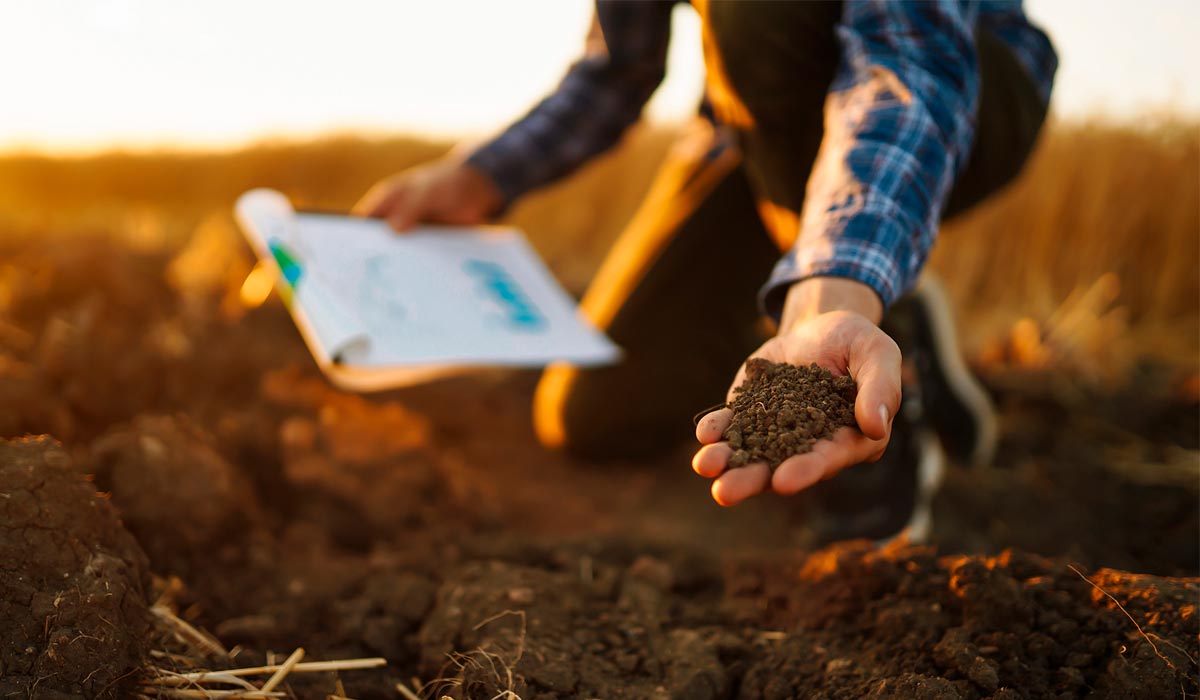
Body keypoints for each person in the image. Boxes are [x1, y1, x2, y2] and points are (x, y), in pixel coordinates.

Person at [354, 1, 1057, 542]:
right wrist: (475, 178)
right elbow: (616, 68)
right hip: (754, 132)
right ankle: (865, 303)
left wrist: (832, 289)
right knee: (596, 411)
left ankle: (866, 321)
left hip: (964, 88)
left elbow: (908, 68)